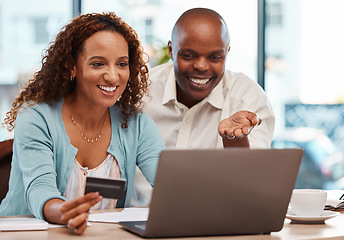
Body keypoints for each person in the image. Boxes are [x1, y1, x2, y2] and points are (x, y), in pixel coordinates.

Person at [0, 12, 164, 234]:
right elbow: (40, 189)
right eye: (98, 64)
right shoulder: (36, 117)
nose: (113, 77)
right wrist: (64, 212)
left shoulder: (136, 123)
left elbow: (169, 186)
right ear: (72, 66)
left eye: (122, 64)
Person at [144, 8, 275, 149]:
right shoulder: (141, 91)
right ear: (171, 50)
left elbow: (255, 169)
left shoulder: (248, 98)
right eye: (188, 55)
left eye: (215, 57)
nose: (201, 66)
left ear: (227, 53)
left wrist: (236, 140)